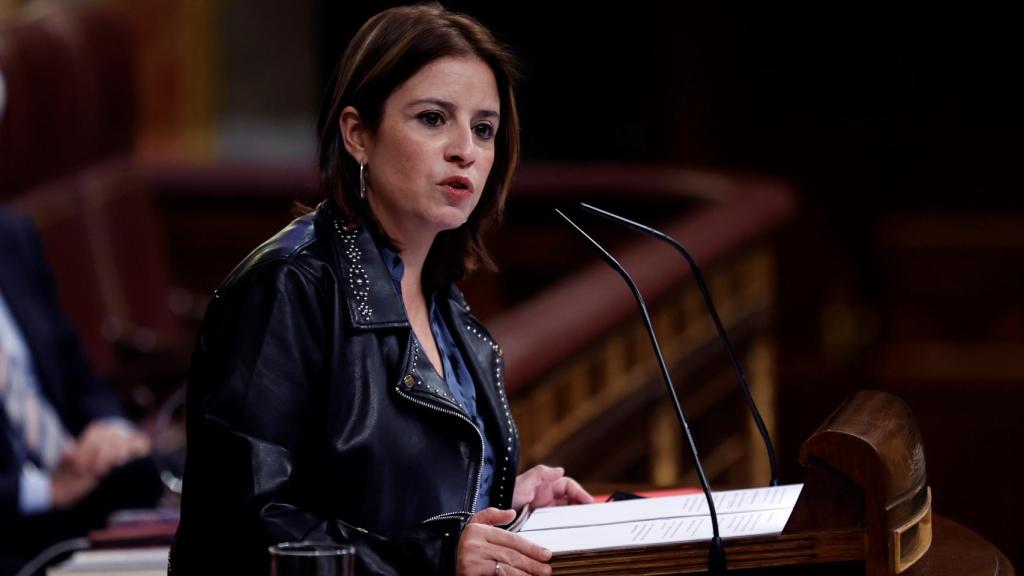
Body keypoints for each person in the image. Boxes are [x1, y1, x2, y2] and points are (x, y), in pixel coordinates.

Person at [170, 4, 594, 575]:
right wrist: (439, 558)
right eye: (432, 118)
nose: (464, 149)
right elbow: (239, 529)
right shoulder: (288, 287)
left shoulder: (447, 306)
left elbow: (384, 500)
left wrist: (504, 511)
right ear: (357, 135)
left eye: (484, 128)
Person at [0, 208, 160, 573]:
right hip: (14, 514)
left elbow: (78, 374)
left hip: (80, 480)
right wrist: (43, 491)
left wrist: (112, 430)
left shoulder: (12, 235)